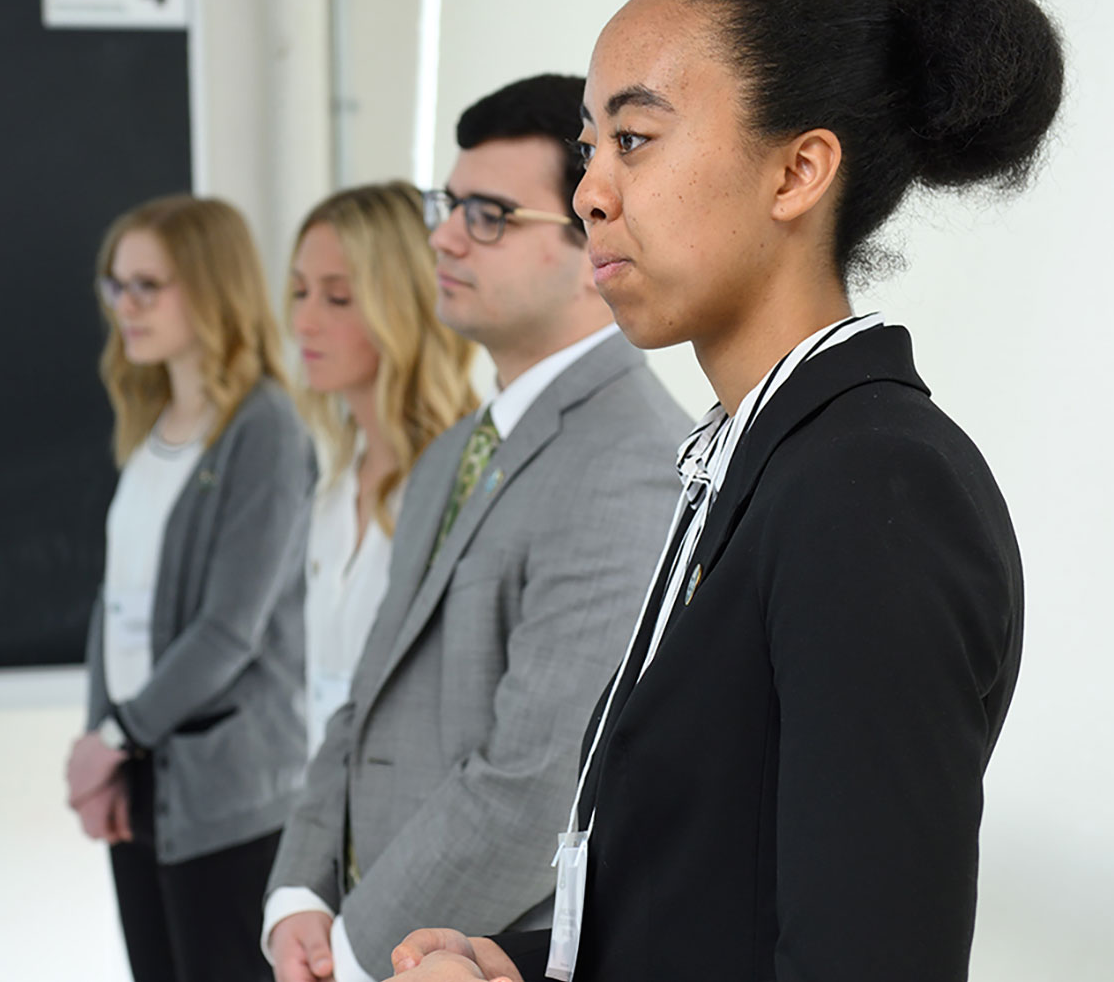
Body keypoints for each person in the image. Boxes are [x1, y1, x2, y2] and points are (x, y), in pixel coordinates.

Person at [385, 0, 1064, 982]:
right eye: (588, 148)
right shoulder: (758, 461)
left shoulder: (871, 489)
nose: (589, 195)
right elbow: (708, 905)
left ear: (796, 171)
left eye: (635, 138)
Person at [261, 74, 694, 982]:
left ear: (592, 237)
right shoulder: (453, 450)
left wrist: (351, 946)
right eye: (448, 205)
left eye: (491, 214)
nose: (446, 237)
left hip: (477, 955)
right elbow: (363, 699)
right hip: (382, 939)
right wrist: (297, 893)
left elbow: (536, 781)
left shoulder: (629, 458)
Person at [66, 194, 313, 982]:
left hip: (227, 793)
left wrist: (109, 741)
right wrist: (110, 746)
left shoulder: (264, 429)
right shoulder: (151, 423)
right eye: (116, 286)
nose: (125, 307)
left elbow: (227, 631)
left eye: (149, 285)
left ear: (209, 287)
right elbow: (118, 611)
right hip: (141, 773)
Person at [287, 181, 480, 756]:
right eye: (299, 293)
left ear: (402, 303)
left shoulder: (465, 480)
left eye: (338, 298)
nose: (304, 322)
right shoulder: (333, 485)